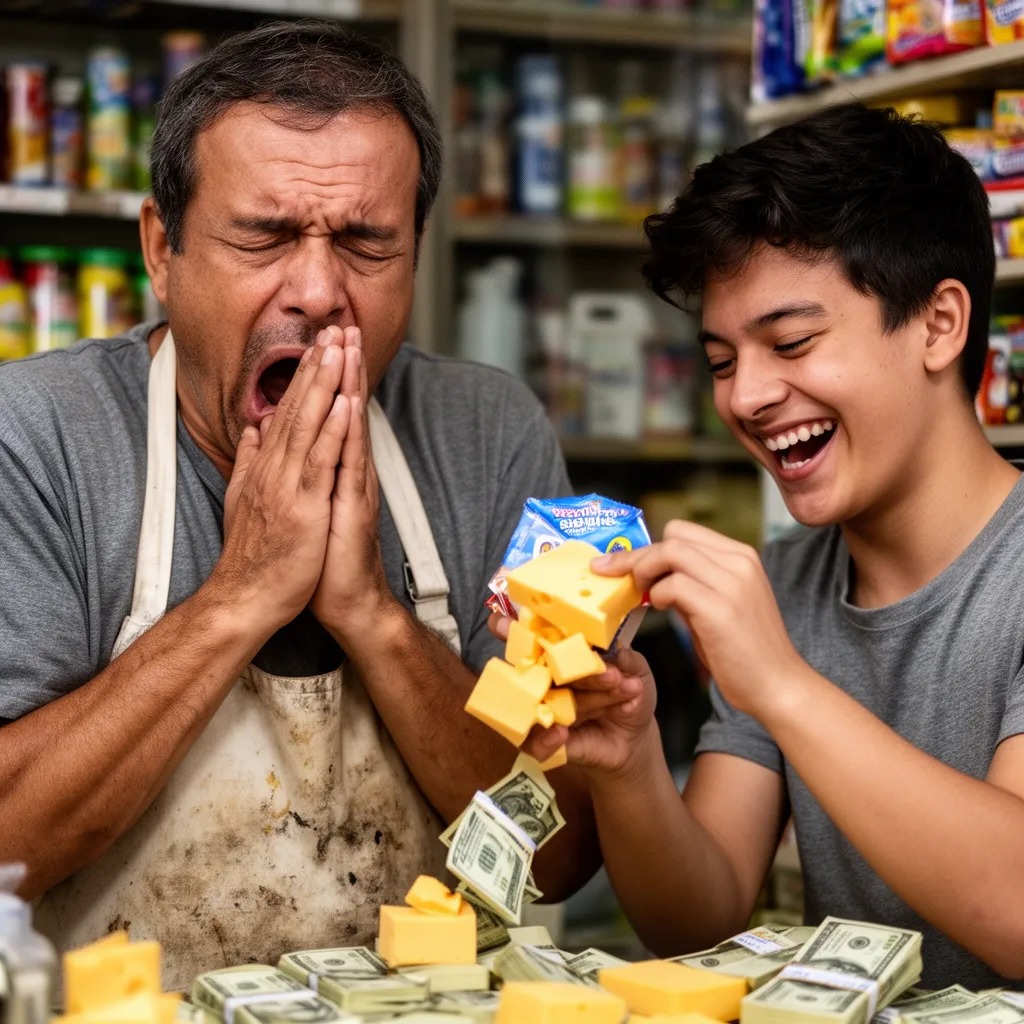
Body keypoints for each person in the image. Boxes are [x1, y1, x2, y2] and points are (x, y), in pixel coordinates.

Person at [0, 21, 600, 987]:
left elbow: (560, 851)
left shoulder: (488, 430)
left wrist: (370, 612)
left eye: (367, 242)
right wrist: (243, 592)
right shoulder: (34, 436)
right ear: (163, 248)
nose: (320, 292)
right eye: (264, 235)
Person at [505, 103, 1024, 989]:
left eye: (792, 342)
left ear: (940, 325)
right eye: (719, 360)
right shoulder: (785, 582)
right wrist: (629, 759)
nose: (746, 396)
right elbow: (696, 921)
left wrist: (780, 682)